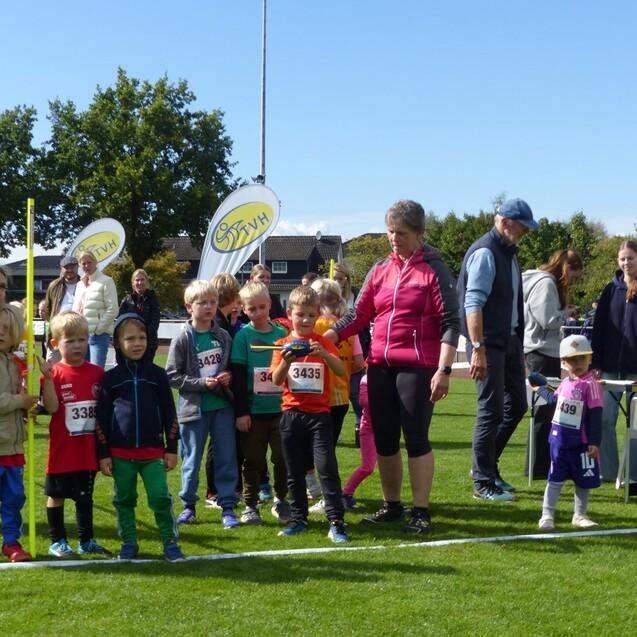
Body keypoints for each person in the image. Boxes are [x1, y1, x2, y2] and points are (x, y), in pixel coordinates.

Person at [325, 199, 459, 533]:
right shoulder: (380, 268)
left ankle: (421, 510)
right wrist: (328, 336)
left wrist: (443, 370)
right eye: (390, 232)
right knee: (384, 438)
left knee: (415, 437)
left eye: (401, 233)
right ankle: (392, 505)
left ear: (419, 233)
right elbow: (359, 315)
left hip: (418, 366)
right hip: (380, 366)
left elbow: (451, 322)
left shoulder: (434, 269)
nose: (394, 239)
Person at [458, 198, 539, 502]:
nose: (526, 233)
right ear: (505, 223)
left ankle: (488, 468)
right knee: (490, 411)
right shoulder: (486, 253)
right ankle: (482, 481)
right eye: (522, 227)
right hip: (488, 343)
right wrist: (477, 347)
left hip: (509, 341)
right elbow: (473, 303)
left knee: (517, 405)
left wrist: (518, 347)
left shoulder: (508, 254)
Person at [96, 313, 184, 561]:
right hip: (120, 454)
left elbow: (170, 413)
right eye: (130, 338)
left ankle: (170, 541)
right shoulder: (110, 379)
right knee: (124, 499)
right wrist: (103, 453)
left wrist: (171, 448)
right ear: (117, 343)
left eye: (142, 338)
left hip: (153, 453)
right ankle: (129, 542)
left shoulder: (157, 375)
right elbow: (101, 419)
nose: (137, 343)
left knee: (160, 497)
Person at [271, 285, 349, 543]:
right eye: (300, 314)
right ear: (290, 314)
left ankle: (336, 522)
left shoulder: (323, 342)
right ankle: (298, 519)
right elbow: (276, 380)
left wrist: (324, 354)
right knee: (294, 471)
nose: (305, 320)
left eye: (310, 315)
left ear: (317, 315)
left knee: (326, 468)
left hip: (320, 417)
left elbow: (340, 371)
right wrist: (286, 361)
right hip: (291, 415)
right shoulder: (282, 345)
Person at [166, 280, 239, 529]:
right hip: (193, 410)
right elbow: (171, 376)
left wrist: (228, 376)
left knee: (226, 458)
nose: (209, 307)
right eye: (202, 303)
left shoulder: (223, 336)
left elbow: (231, 367)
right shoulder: (182, 339)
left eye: (213, 302)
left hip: (222, 407)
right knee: (191, 460)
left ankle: (227, 506)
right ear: (189, 306)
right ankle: (188, 506)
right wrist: (200, 383)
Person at [39, 311, 110, 557]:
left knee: (84, 497)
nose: (78, 345)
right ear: (55, 343)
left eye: (82, 339)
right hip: (62, 450)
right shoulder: (54, 373)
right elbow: (51, 408)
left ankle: (86, 540)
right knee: (56, 495)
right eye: (70, 341)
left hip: (87, 451)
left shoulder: (97, 373)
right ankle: (57, 540)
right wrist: (48, 380)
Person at [231, 281, 290, 525]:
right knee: (253, 460)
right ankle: (251, 504)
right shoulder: (243, 336)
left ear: (269, 305)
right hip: (253, 412)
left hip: (280, 410)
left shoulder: (282, 335)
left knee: (282, 457)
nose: (258, 313)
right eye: (252, 308)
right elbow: (238, 377)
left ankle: (281, 499)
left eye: (262, 307)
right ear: (244, 309)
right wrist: (241, 412)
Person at [529, 335, 603, 530]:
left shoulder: (591, 385)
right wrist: (539, 389)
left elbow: (596, 415)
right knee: (554, 479)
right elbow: (554, 400)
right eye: (572, 360)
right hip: (559, 443)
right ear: (563, 362)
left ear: (590, 358)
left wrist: (594, 442)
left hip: (582, 445)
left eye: (581, 358)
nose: (577, 363)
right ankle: (547, 516)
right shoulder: (565, 383)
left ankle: (580, 515)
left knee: (583, 481)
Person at [522, 249, 583, 478]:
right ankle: (537, 467)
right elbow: (547, 320)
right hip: (541, 353)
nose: (573, 280)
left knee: (546, 410)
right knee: (543, 410)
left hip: (542, 352)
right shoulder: (546, 284)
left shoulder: (544, 282)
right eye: (574, 274)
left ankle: (540, 465)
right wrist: (565, 314)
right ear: (568, 268)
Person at [591, 240, 637, 484]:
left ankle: (633, 473)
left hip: (634, 371)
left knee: (636, 425)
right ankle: (608, 472)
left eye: (630, 258)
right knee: (604, 420)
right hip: (609, 369)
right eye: (622, 258)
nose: (626, 262)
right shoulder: (610, 290)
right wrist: (595, 363)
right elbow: (599, 328)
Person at [0, 303, 37, 562]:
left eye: (6, 328)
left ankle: (11, 541)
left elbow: (24, 397)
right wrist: (18, 401)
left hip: (13, 447)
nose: (1, 332)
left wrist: (27, 407)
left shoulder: (17, 364)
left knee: (14, 498)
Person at [332, 261, 370, 447]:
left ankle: (362, 428)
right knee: (335, 395)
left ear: (346, 279)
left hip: (355, 347)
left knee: (356, 394)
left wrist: (362, 352)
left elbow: (361, 323)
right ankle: (334, 431)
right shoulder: (328, 296)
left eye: (340, 278)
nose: (337, 282)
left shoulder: (356, 295)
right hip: (335, 350)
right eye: (334, 278)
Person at [72, 251, 118, 368]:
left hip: (99, 336)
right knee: (82, 372)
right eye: (83, 263)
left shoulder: (107, 281)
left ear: (95, 262)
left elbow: (113, 309)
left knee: (96, 372)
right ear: (80, 265)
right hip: (81, 336)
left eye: (89, 262)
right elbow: (75, 310)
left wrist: (99, 330)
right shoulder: (80, 285)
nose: (86, 266)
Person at [342, 373, 377, 510]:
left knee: (391, 467)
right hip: (369, 430)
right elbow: (364, 402)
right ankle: (346, 494)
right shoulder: (366, 379)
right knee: (367, 467)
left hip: (386, 430)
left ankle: (393, 502)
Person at [118, 269, 161, 361]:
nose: (140, 282)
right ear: (133, 283)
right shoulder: (127, 300)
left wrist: (141, 335)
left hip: (149, 343)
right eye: (137, 280)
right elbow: (121, 321)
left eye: (142, 279)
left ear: (147, 281)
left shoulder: (153, 299)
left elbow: (154, 323)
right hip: (129, 343)